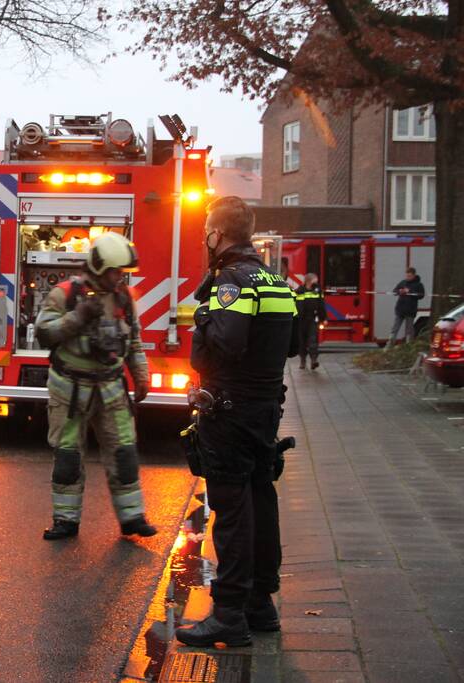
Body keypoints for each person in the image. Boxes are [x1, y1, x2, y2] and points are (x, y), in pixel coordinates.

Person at [177, 196, 298, 647]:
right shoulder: (276, 281)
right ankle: (260, 605)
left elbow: (225, 345)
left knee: (230, 511)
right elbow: (292, 343)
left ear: (217, 234)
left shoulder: (231, 282)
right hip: (266, 407)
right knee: (261, 500)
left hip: (229, 410)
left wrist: (204, 319)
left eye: (207, 231)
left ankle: (228, 614)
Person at [35, 231, 157, 541]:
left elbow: (134, 341)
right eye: (116, 272)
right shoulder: (64, 294)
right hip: (71, 388)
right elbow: (44, 334)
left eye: (122, 273)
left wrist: (140, 375)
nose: (119, 278)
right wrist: (77, 318)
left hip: (110, 387)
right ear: (100, 266)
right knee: (68, 456)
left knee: (123, 451)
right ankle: (65, 521)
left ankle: (132, 517)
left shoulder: (123, 298)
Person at [385, 267, 425, 349]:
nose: (408, 277)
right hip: (400, 310)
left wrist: (409, 292)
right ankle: (389, 345)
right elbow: (394, 291)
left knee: (409, 330)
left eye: (409, 276)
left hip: (410, 310)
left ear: (414, 275)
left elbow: (421, 295)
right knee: (395, 328)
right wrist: (399, 291)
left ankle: (409, 345)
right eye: (407, 276)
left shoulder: (418, 285)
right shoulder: (403, 282)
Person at [293, 273, 326, 370]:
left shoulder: (317, 290)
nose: (317, 281)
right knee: (301, 341)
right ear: (310, 280)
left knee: (313, 340)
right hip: (301, 320)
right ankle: (303, 361)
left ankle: (313, 360)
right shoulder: (300, 290)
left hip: (312, 319)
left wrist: (323, 318)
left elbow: (321, 305)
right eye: (315, 279)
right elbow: (297, 305)